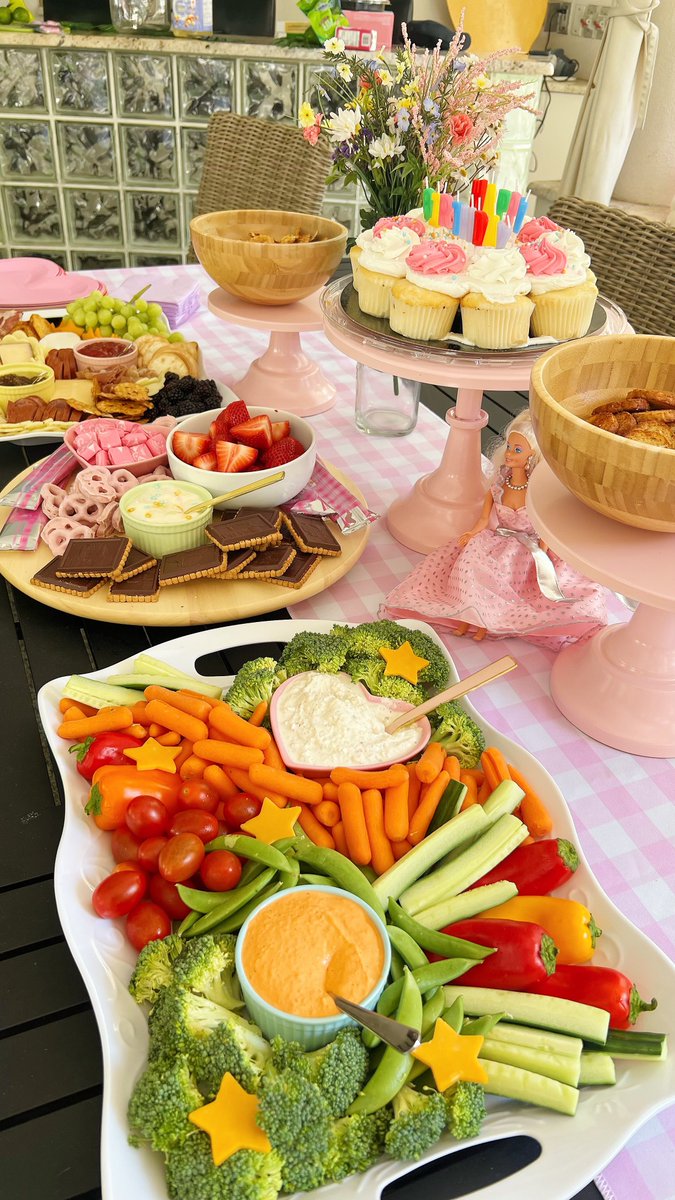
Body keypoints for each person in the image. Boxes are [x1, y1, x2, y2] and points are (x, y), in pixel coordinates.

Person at [382, 411, 608, 651]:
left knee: (516, 586)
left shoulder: (538, 491)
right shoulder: (500, 483)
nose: (509, 453)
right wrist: (472, 533)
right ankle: (465, 616)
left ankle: (488, 622)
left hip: (526, 549)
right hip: (496, 539)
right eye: (509, 446)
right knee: (472, 567)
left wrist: (544, 550)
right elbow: (483, 517)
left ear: (533, 456)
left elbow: (545, 526)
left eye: (518, 450)